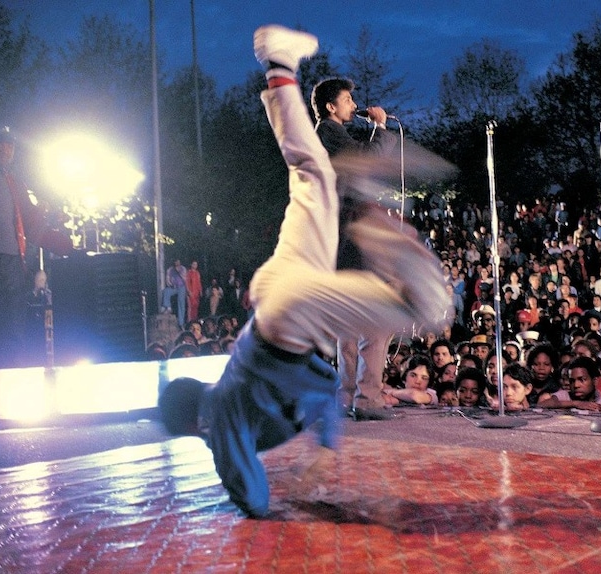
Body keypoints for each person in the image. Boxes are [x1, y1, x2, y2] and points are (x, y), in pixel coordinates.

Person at [158, 25, 449, 519]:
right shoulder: (238, 394)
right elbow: (322, 388)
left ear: (195, 423)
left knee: (434, 306)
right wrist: (327, 448)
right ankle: (279, 65)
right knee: (312, 175)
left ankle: (379, 231)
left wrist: (246, 473)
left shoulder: (221, 418)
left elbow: (252, 496)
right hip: (276, 296)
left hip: (288, 314)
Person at [312, 75, 400, 421]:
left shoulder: (328, 135)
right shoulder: (328, 133)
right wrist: (380, 127)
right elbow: (366, 162)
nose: (353, 105)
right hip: (351, 234)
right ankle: (367, 397)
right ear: (331, 106)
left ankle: (348, 395)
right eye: (347, 100)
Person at [0, 126, 73, 368]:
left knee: (15, 328)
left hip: (14, 264)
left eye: (10, 145)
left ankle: (11, 377)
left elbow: (32, 221)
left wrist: (61, 243)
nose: (6, 150)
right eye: (0, 144)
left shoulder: (15, 183)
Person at [161, 259, 188, 327]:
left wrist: (179, 272)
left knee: (181, 303)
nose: (177, 262)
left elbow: (185, 279)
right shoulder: (170, 269)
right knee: (166, 291)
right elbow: (167, 279)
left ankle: (181, 322)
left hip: (181, 287)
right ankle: (168, 307)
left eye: (178, 261)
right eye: (175, 261)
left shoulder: (183, 269)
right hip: (174, 287)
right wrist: (171, 284)